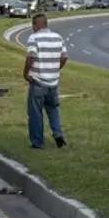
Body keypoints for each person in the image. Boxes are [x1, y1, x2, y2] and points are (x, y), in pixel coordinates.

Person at [23, 12, 67, 149]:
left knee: (35, 113)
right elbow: (64, 57)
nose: (32, 28)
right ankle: (58, 135)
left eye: (33, 25)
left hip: (38, 81)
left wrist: (25, 73)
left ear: (37, 25)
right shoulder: (58, 37)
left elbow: (31, 56)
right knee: (53, 109)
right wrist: (55, 69)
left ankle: (37, 142)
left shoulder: (34, 38)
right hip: (53, 82)